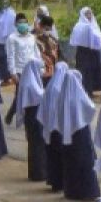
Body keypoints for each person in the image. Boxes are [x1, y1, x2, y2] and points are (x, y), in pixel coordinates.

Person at [59, 70, 101, 201]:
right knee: (85, 162)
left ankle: (72, 191)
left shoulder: (63, 95)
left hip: (67, 135)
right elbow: (91, 108)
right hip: (81, 133)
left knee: (71, 163)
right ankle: (87, 193)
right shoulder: (79, 94)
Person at [15, 58, 48, 182]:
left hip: (33, 116)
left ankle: (37, 172)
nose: (42, 71)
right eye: (40, 68)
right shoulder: (30, 83)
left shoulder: (30, 80)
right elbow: (38, 96)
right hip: (34, 117)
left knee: (36, 145)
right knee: (37, 145)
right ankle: (39, 173)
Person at [40, 62, 70, 191]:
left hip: (50, 128)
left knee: (53, 156)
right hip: (59, 128)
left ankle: (54, 182)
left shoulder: (50, 86)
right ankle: (60, 183)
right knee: (60, 157)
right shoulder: (60, 88)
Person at [5, 13, 42, 107]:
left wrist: (41, 67)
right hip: (20, 71)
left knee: (34, 92)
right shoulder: (12, 38)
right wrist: (13, 72)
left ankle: (28, 114)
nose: (23, 24)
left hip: (33, 70)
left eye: (24, 22)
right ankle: (15, 112)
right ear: (15, 24)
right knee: (20, 94)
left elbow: (36, 53)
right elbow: (10, 56)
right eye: (20, 22)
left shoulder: (32, 37)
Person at [69, 8, 101, 94]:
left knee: (93, 70)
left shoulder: (94, 24)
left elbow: (98, 36)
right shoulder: (79, 26)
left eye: (90, 14)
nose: (89, 16)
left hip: (94, 52)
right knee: (84, 71)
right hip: (83, 52)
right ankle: (84, 90)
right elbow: (76, 39)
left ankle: (92, 89)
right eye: (87, 14)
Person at [35, 13, 61, 79]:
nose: (48, 31)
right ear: (41, 26)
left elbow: (57, 51)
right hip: (42, 70)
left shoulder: (52, 39)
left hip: (53, 68)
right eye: (46, 29)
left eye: (49, 29)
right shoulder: (35, 39)